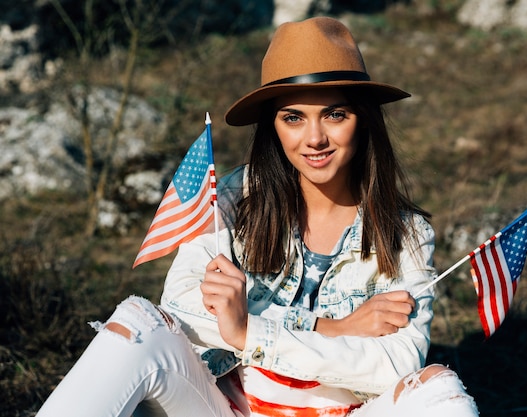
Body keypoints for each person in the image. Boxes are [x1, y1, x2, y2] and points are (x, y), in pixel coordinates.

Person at [36, 17, 479, 417]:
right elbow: (183, 309)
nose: (315, 138)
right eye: (293, 118)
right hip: (222, 408)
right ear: (273, 126)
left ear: (361, 121)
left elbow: (396, 366)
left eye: (335, 114)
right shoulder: (232, 198)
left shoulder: (405, 232)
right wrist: (332, 327)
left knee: (441, 392)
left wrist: (250, 329)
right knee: (137, 322)